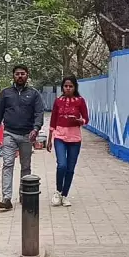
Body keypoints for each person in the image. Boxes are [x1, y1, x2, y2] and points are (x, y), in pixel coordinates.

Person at [0, 65, 45, 210]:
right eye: (17, 74)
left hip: (27, 135)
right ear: (13, 76)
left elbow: (39, 113)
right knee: (8, 164)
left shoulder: (34, 94)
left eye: (23, 74)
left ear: (27, 75)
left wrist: (36, 129)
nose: (20, 76)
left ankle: (24, 195)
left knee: (25, 166)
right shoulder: (5, 93)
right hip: (9, 134)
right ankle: (6, 198)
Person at [46, 75, 89, 207]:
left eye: (71, 86)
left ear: (75, 87)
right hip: (59, 137)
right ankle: (58, 192)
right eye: (66, 86)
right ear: (62, 87)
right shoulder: (58, 101)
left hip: (75, 139)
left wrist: (79, 121)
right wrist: (49, 139)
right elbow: (53, 120)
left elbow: (86, 119)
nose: (68, 88)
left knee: (70, 168)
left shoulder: (80, 101)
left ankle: (65, 195)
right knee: (62, 165)